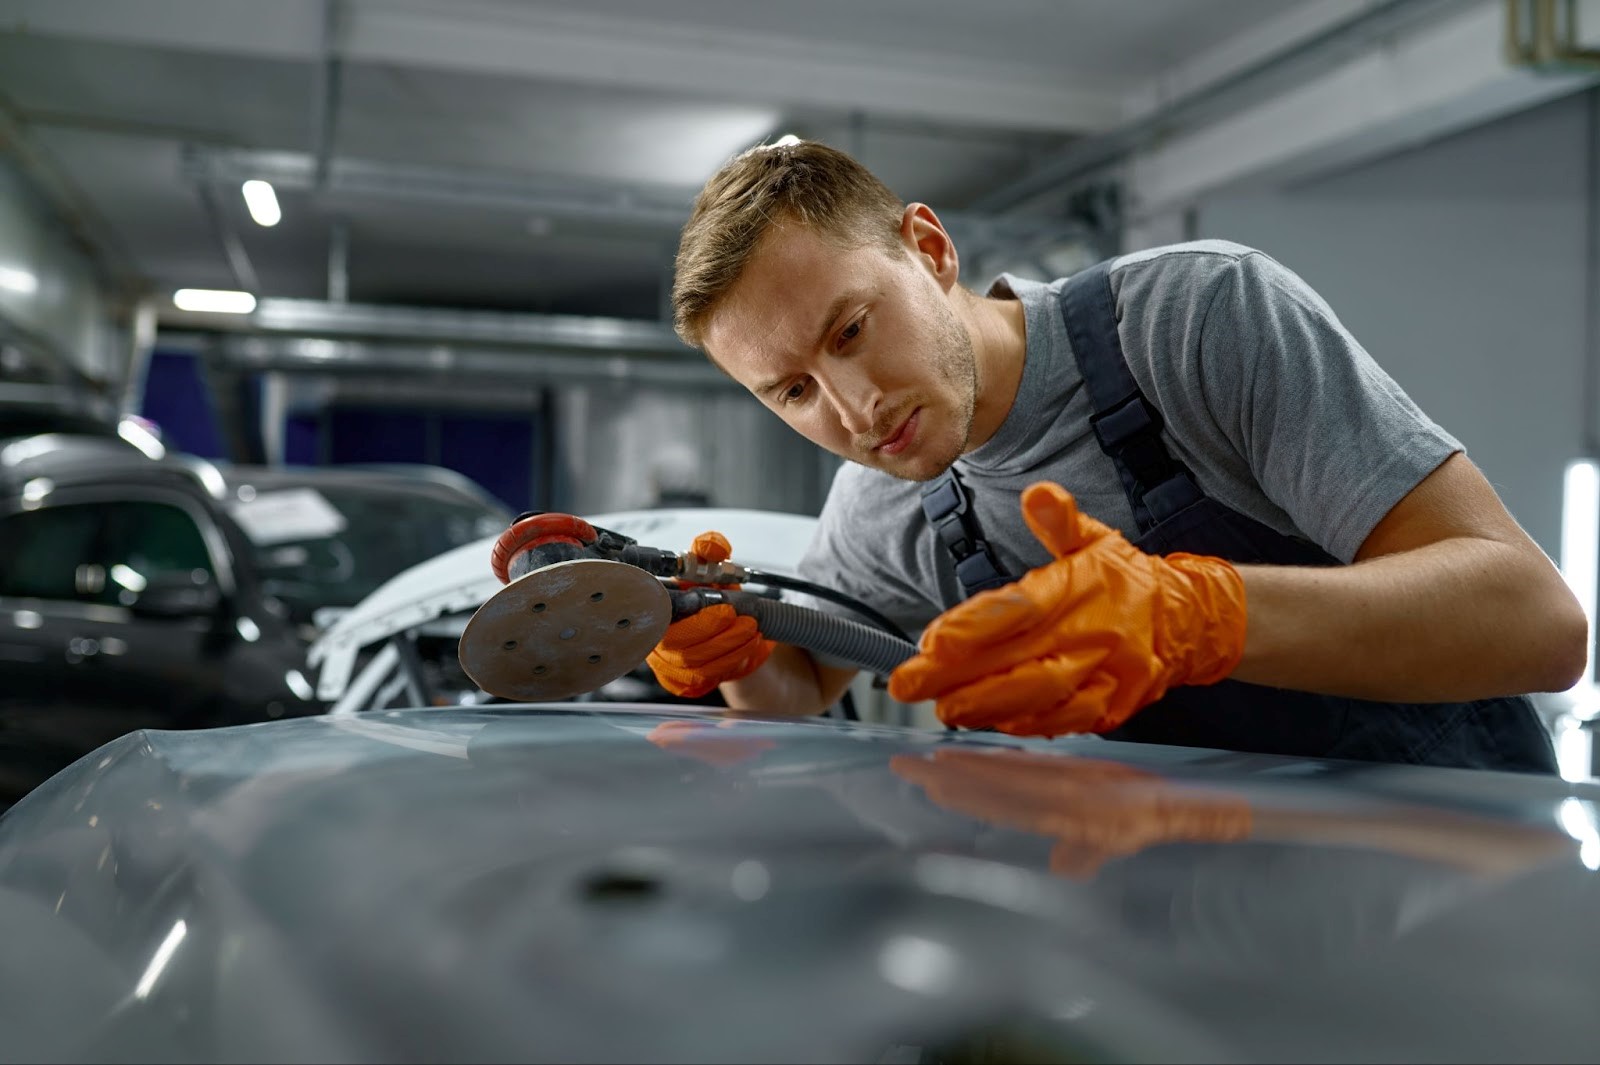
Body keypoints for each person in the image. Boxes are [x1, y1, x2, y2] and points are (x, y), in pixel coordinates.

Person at [645, 139, 1586, 772]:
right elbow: (803, 690)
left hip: (1451, 877)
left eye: (850, 330)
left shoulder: (1196, 320)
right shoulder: (880, 510)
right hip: (1192, 936)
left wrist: (1198, 617)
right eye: (794, 391)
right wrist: (734, 652)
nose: (854, 409)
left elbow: (1538, 625)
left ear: (929, 249)